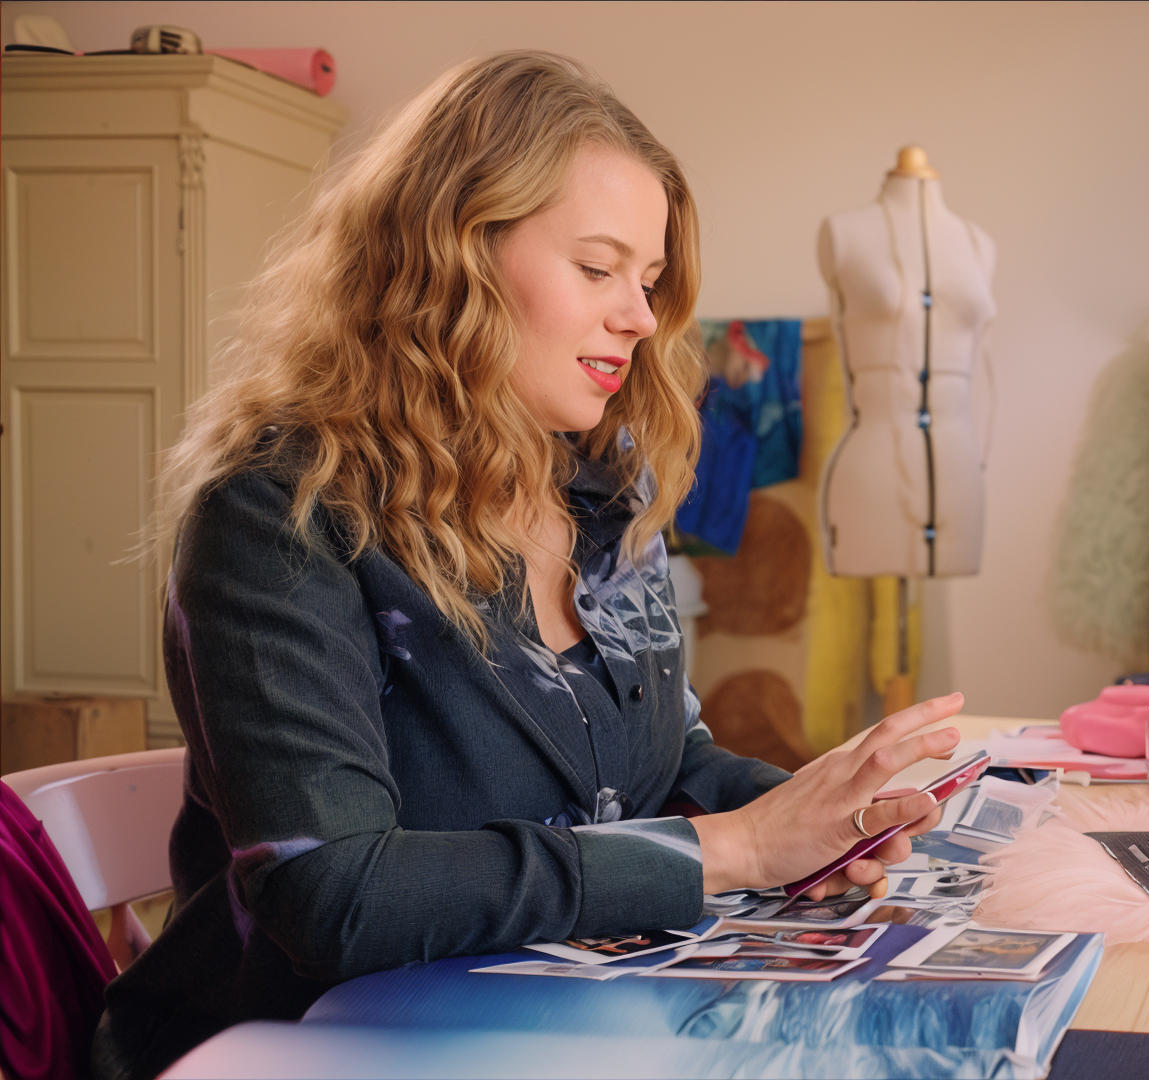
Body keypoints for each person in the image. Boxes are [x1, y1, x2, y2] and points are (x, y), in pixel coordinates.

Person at [92, 51, 960, 1080]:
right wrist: (740, 850)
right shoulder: (278, 511)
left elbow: (661, 769)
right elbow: (336, 895)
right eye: (599, 270)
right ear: (447, 255)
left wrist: (826, 817)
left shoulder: (604, 491)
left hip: (567, 1021)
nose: (641, 317)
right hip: (301, 1049)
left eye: (646, 281)